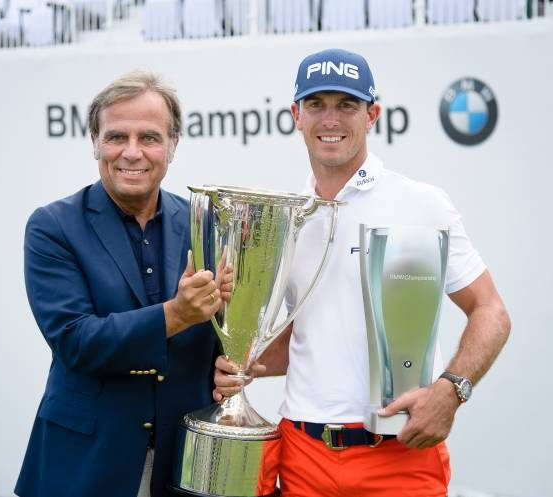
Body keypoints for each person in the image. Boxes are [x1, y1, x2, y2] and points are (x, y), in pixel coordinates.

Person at [214, 48, 511, 497]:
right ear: (296, 114)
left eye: (346, 105)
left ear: (372, 114)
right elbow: (306, 333)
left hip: (400, 452)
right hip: (302, 453)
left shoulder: (421, 202)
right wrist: (246, 364)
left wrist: (451, 392)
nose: (330, 119)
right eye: (316, 104)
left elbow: (491, 311)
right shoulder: (286, 219)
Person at [15, 70, 226, 497]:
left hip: (184, 464)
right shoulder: (53, 226)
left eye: (149, 137)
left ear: (172, 145)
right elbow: (76, 340)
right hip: (85, 465)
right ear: (95, 142)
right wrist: (174, 315)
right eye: (116, 137)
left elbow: (222, 333)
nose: (132, 153)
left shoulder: (205, 223)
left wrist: (229, 366)